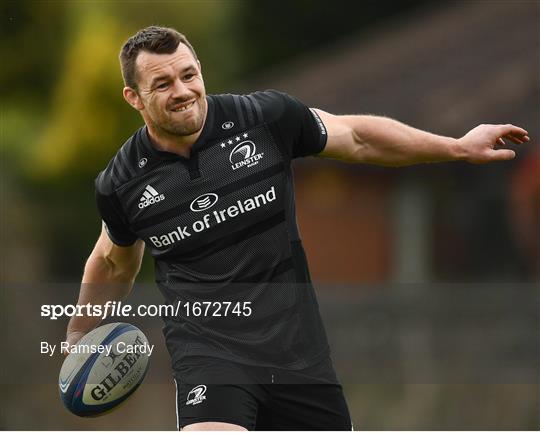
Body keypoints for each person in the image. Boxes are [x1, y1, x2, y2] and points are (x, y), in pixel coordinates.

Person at [64, 26, 529, 431]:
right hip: (210, 350)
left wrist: (456, 147)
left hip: (298, 353)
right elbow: (112, 259)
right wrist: (77, 337)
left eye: (189, 75)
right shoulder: (122, 182)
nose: (182, 90)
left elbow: (359, 138)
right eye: (162, 83)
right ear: (134, 97)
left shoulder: (264, 119)